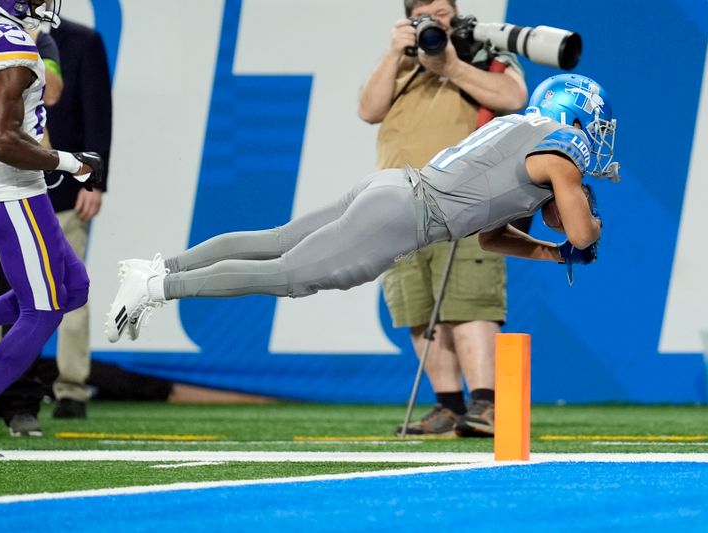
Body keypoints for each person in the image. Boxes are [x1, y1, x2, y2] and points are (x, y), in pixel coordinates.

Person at [105, 73, 618, 382]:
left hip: (394, 186)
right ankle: (157, 286)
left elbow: (489, 235)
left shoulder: (524, 132)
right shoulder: (562, 145)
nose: (596, 139)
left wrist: (552, 255)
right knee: (288, 275)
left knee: (278, 240)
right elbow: (582, 234)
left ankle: (158, 267)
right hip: (404, 217)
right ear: (577, 116)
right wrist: (585, 230)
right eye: (595, 126)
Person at [357, 0, 528, 437]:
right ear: (410, 19)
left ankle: (487, 405)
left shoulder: (484, 54)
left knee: (468, 303)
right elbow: (369, 110)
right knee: (419, 308)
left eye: (443, 9)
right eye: (425, 12)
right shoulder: (400, 65)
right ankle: (448, 408)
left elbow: (513, 98)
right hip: (397, 202)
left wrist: (449, 64)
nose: (437, 19)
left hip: (465, 198)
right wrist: (395, 52)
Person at [0, 0, 103, 458]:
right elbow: (2, 140)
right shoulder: (9, 43)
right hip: (7, 191)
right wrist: (70, 162)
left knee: (73, 287)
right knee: (44, 310)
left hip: (9, 188)